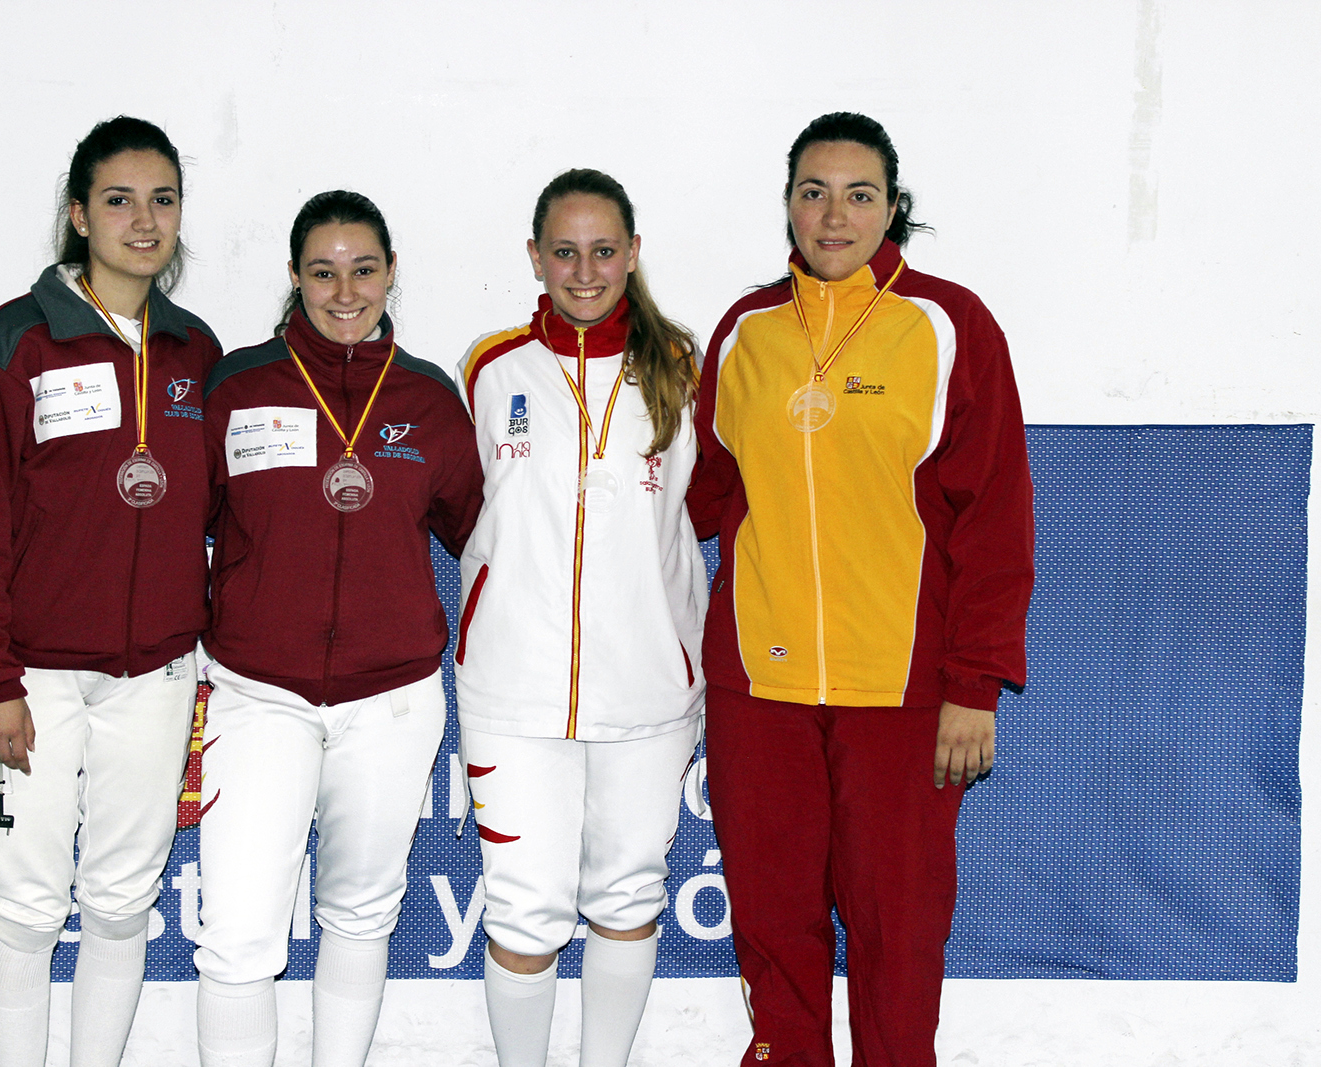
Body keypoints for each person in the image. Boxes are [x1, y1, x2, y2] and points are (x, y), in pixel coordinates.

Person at [686, 112, 1036, 1067]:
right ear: (788, 205)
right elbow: (702, 495)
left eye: (858, 194)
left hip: (904, 690)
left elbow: (995, 519)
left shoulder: (949, 325)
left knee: (898, 929)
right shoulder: (745, 332)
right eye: (814, 192)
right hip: (760, 686)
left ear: (892, 207)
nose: (834, 215)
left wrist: (974, 684)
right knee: (774, 922)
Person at [0, 116, 220, 1067]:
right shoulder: (11, 342)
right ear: (79, 213)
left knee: (121, 902)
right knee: (25, 906)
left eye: (163, 199)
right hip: (31, 681)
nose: (144, 220)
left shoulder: (195, 350)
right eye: (119, 200)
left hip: (156, 676)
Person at [193, 190, 485, 1067]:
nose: (345, 291)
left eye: (364, 270)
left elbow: (478, 536)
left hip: (391, 699)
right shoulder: (238, 387)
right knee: (239, 932)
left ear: (392, 273)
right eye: (323, 272)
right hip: (258, 694)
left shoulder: (429, 399)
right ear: (294, 275)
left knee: (360, 911)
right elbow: (183, 528)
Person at [456, 169, 707, 1067]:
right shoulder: (491, 368)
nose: (586, 270)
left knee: (629, 895)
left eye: (604, 250)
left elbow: (709, 502)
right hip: (513, 690)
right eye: (565, 251)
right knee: (525, 908)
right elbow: (466, 507)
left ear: (633, 253)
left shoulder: (681, 367)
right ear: (535, 256)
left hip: (648, 687)